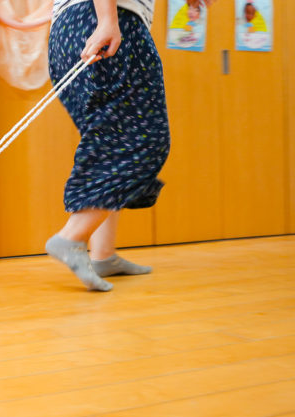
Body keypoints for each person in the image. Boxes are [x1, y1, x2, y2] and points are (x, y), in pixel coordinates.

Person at [44, 0, 213, 291]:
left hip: (65, 34)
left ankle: (103, 255)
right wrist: (108, 20)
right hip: (105, 19)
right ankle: (71, 238)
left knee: (112, 144)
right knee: (146, 140)